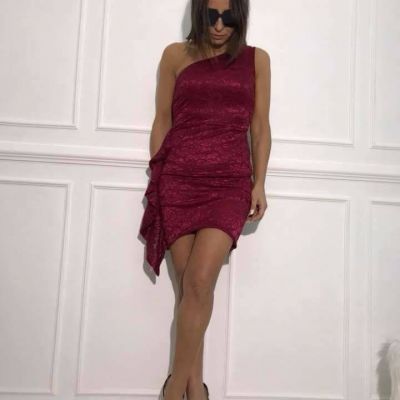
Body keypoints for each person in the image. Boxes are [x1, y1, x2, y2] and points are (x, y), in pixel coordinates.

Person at [138, 0, 271, 399]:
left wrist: (259, 182)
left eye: (228, 18)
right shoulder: (174, 56)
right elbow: (162, 120)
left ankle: (173, 388)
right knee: (190, 290)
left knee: (198, 280)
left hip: (229, 182)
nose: (218, 26)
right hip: (178, 178)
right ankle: (196, 387)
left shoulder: (257, 60)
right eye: (211, 16)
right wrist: (159, 177)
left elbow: (260, 125)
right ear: (198, 14)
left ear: (240, 18)